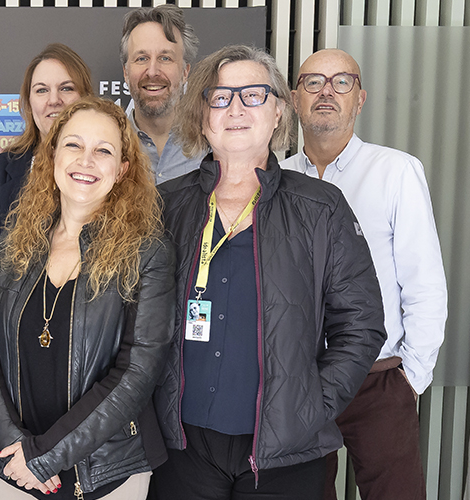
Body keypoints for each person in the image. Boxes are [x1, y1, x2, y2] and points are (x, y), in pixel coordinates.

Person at [150, 45, 386, 499]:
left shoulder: (320, 207)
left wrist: (311, 407)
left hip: (285, 455)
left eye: (253, 94)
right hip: (182, 448)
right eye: (221, 97)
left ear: (278, 112)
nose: (236, 108)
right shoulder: (166, 206)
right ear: (203, 115)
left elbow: (361, 324)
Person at [0, 96, 176, 500]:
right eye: (73, 144)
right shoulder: (20, 239)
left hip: (104, 475)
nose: (86, 160)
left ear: (122, 169)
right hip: (13, 466)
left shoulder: (148, 252)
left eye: (103, 151)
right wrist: (14, 445)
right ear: (52, 156)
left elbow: (136, 373)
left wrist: (45, 457)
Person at [282, 49, 447, 500]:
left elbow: (425, 283)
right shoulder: (276, 179)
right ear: (295, 99)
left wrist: (411, 378)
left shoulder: (396, 172)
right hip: (299, 382)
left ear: (360, 98)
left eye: (342, 82)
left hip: (378, 380)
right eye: (313, 82)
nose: (326, 92)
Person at [0, 43, 92, 317]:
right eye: (41, 90)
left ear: (85, 97)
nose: (54, 100)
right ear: (28, 102)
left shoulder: (106, 173)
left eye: (66, 88)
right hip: (12, 335)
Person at [120, 5, 204, 182]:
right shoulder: (107, 143)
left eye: (165, 58)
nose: (152, 72)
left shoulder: (212, 144)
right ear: (126, 73)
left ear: (185, 72)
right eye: (141, 58)